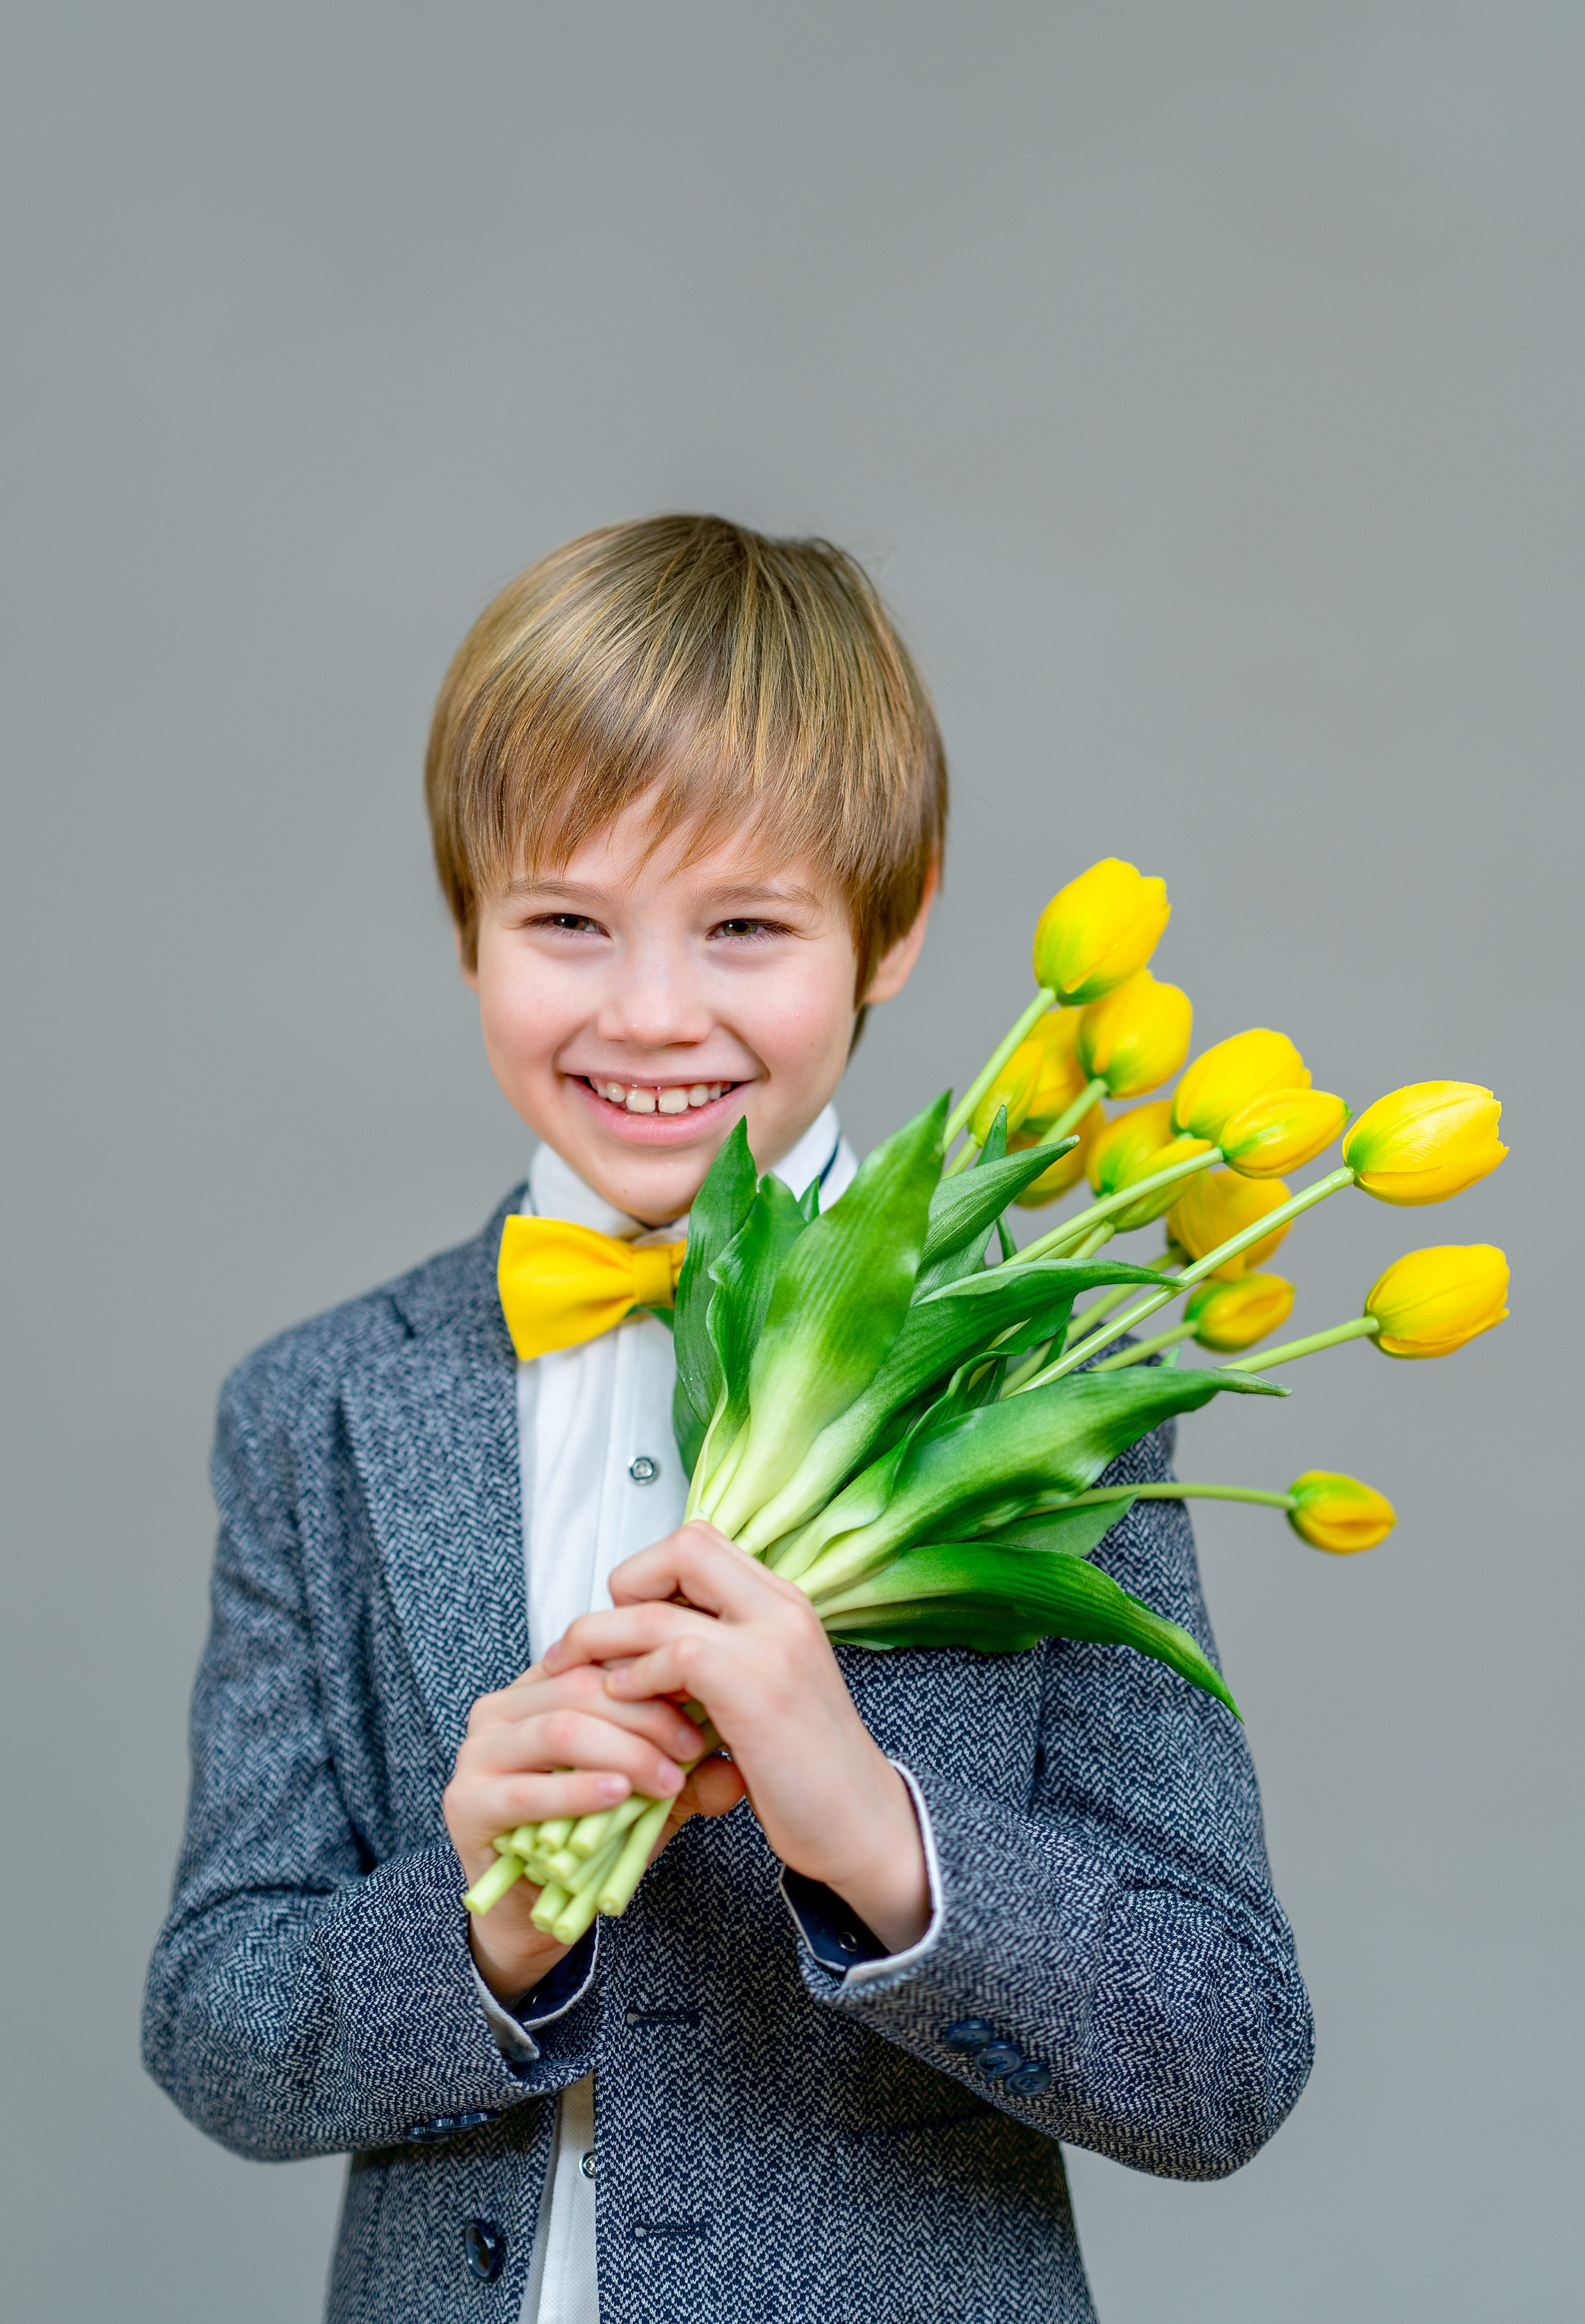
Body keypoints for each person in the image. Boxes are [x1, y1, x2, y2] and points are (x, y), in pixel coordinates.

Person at [142, 515, 1313, 2323]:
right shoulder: (320, 1409)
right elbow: (218, 2025)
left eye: (747, 926)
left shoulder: (1047, 1388)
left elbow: (1230, 2050)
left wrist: (878, 1837)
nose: (653, 1011)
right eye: (567, 923)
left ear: (893, 929)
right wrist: (484, 1927)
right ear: (467, 927)